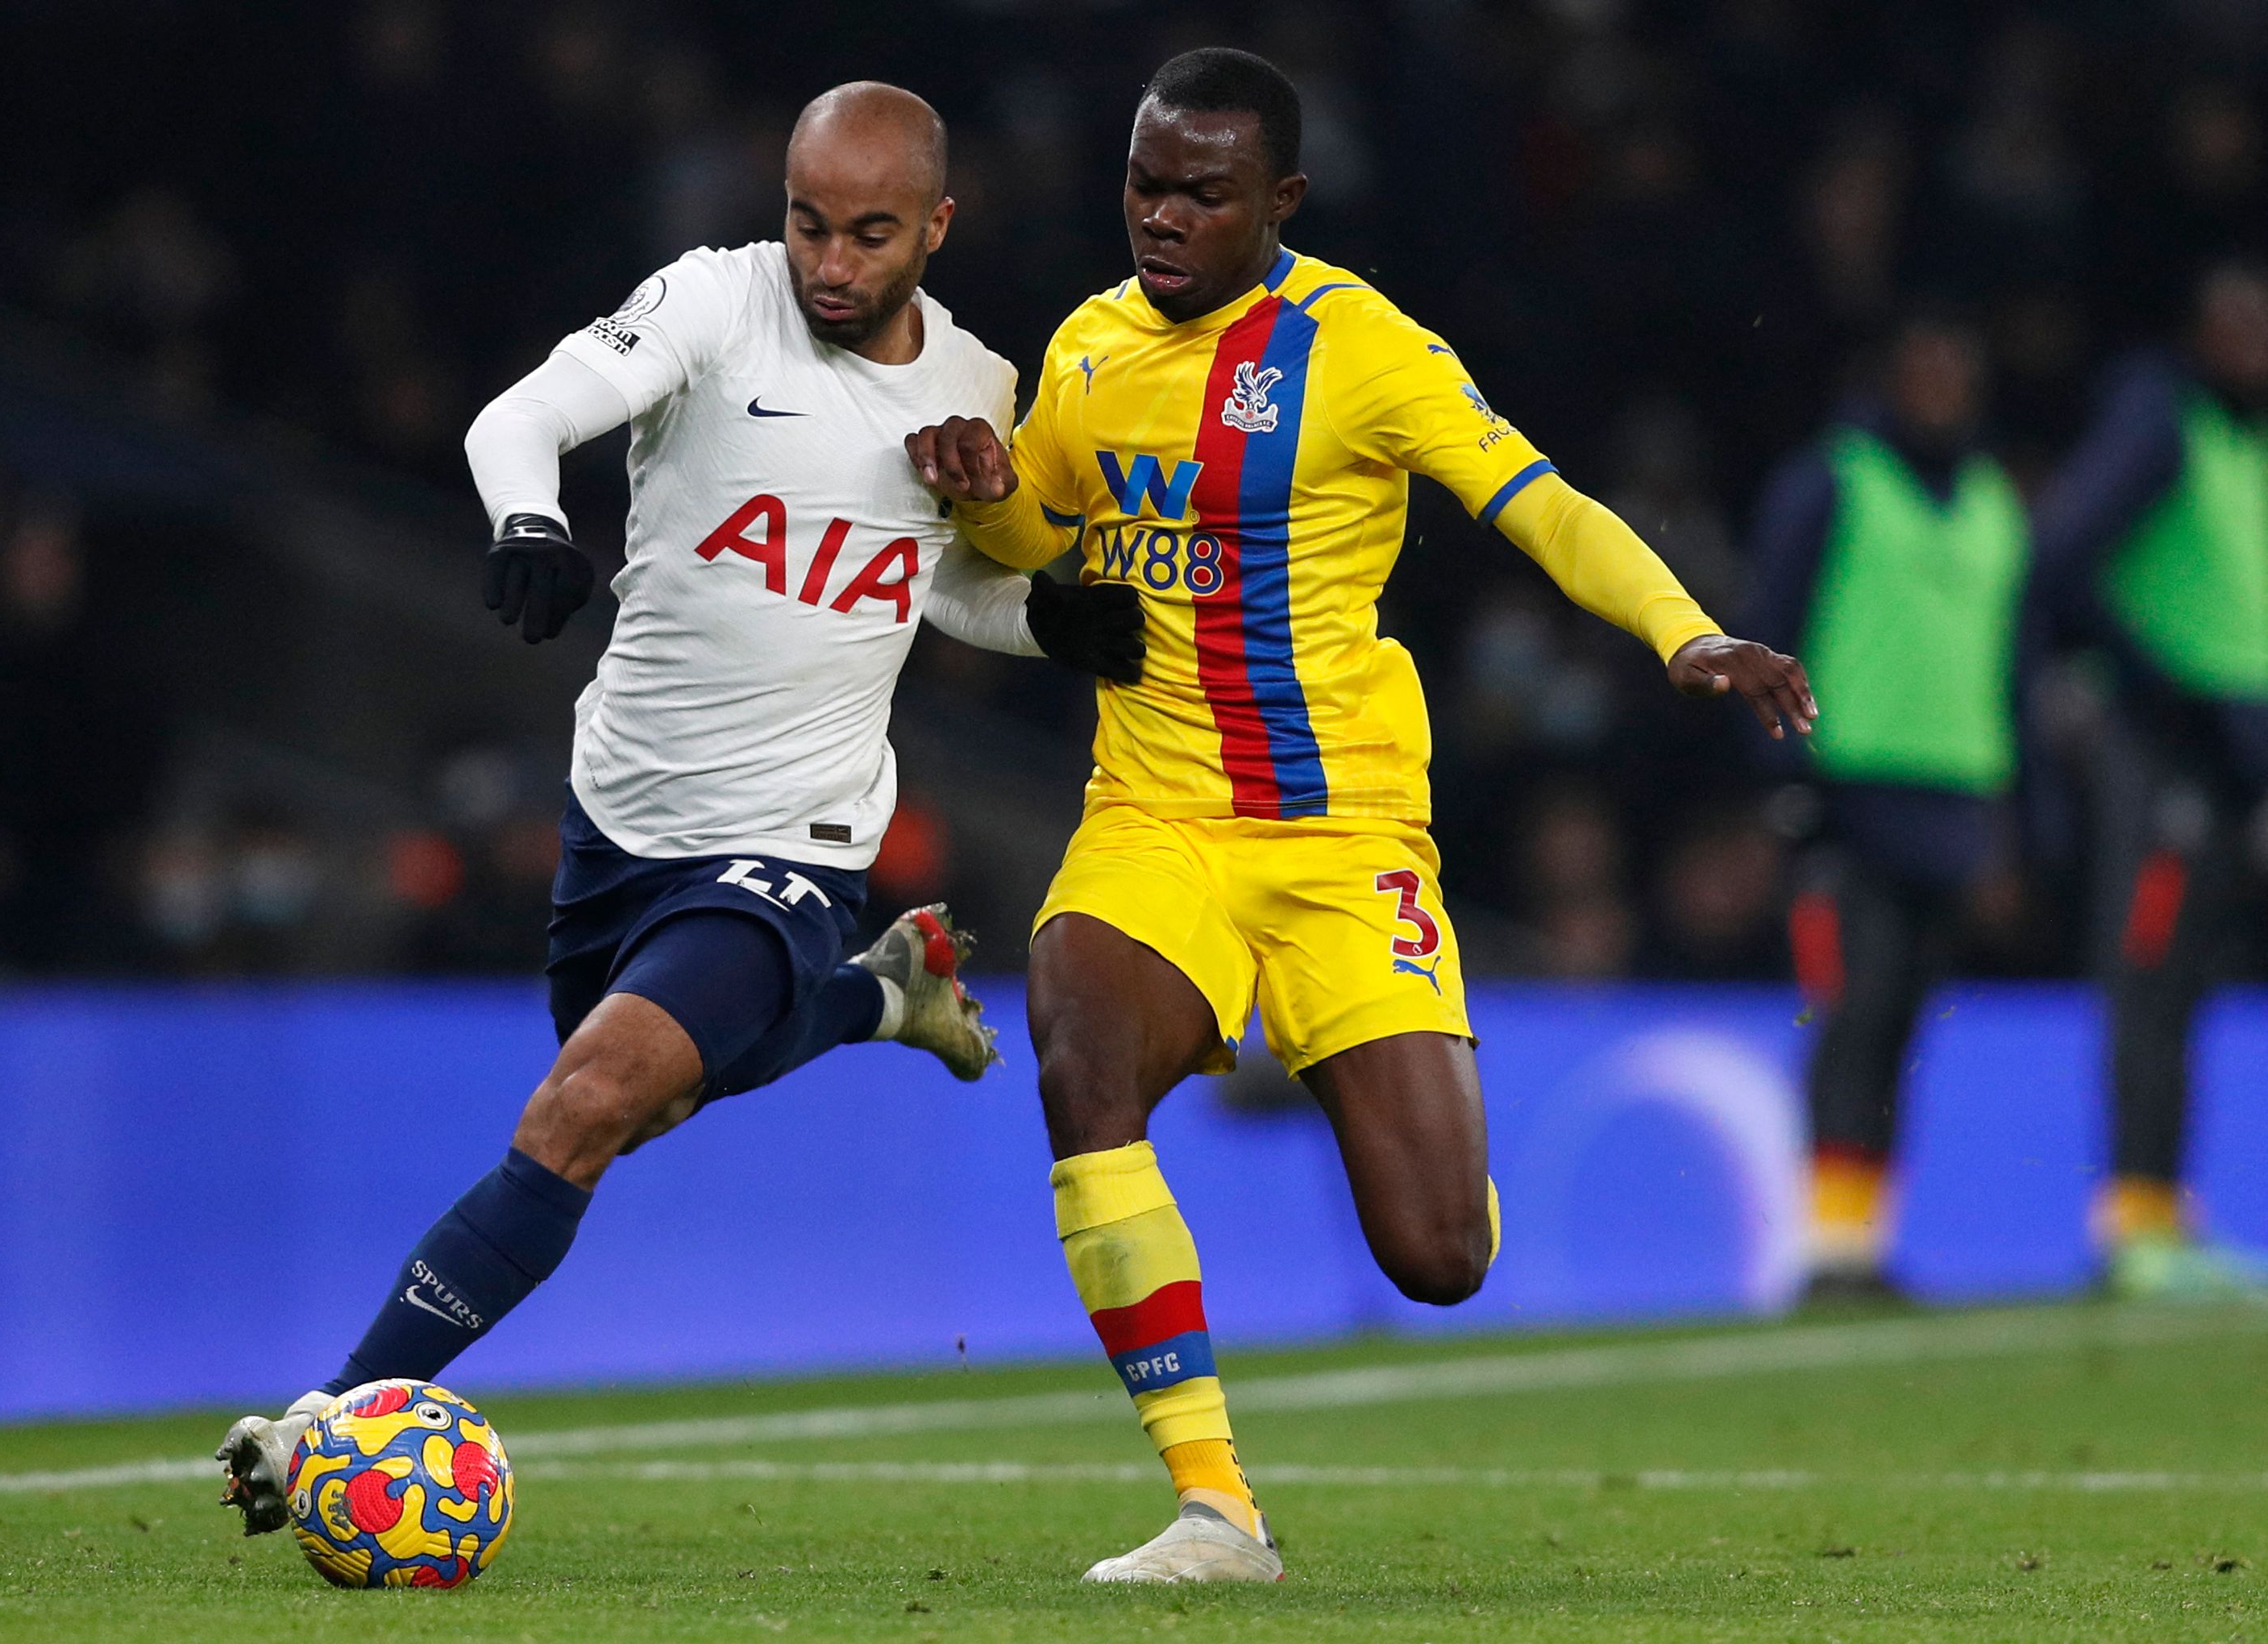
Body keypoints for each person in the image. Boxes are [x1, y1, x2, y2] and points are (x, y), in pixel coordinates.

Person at [907, 48, 1813, 1583]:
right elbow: (1039, 533)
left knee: (1438, 1255)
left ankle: (1360, 1057)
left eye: (1204, 192)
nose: (1164, 216)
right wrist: (988, 485)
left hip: (1346, 836)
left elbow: (1541, 503)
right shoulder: (1088, 346)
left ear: (1284, 200)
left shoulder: (1363, 345)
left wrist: (1685, 631)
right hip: (1159, 809)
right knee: (1075, 1041)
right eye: (1145, 183)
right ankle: (1216, 1508)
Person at [214, 81, 1144, 1533]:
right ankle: (879, 1003)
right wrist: (528, 518)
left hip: (798, 841)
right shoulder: (712, 304)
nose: (830, 263)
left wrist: (1052, 626)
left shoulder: (981, 386)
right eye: (808, 223)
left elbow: (948, 581)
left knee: (585, 1107)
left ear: (938, 228)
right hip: (619, 821)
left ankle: (328, 1424)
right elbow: (521, 417)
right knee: (643, 1104)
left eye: (871, 233)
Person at [1742, 311, 2029, 1299]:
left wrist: (2016, 819)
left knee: (1905, 1019)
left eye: (1958, 370)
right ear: (1888, 378)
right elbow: (1769, 624)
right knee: (1851, 1011)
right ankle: (1829, 1247)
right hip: (1846, 792)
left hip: (1954, 798)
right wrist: (1781, 783)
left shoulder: (1994, 500)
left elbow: (2014, 666)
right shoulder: (1833, 480)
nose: (1942, 389)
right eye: (1925, 369)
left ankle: (1867, 1235)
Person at [2031, 261, 2268, 1298]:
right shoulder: (2162, 421)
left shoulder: (2238, 439)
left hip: (2225, 757)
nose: (2255, 339)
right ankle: (2135, 1219)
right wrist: (2155, 689)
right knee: (2150, 971)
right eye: (2236, 320)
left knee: (2186, 983)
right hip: (2164, 749)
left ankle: (2165, 1208)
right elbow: (2063, 560)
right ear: (2196, 333)